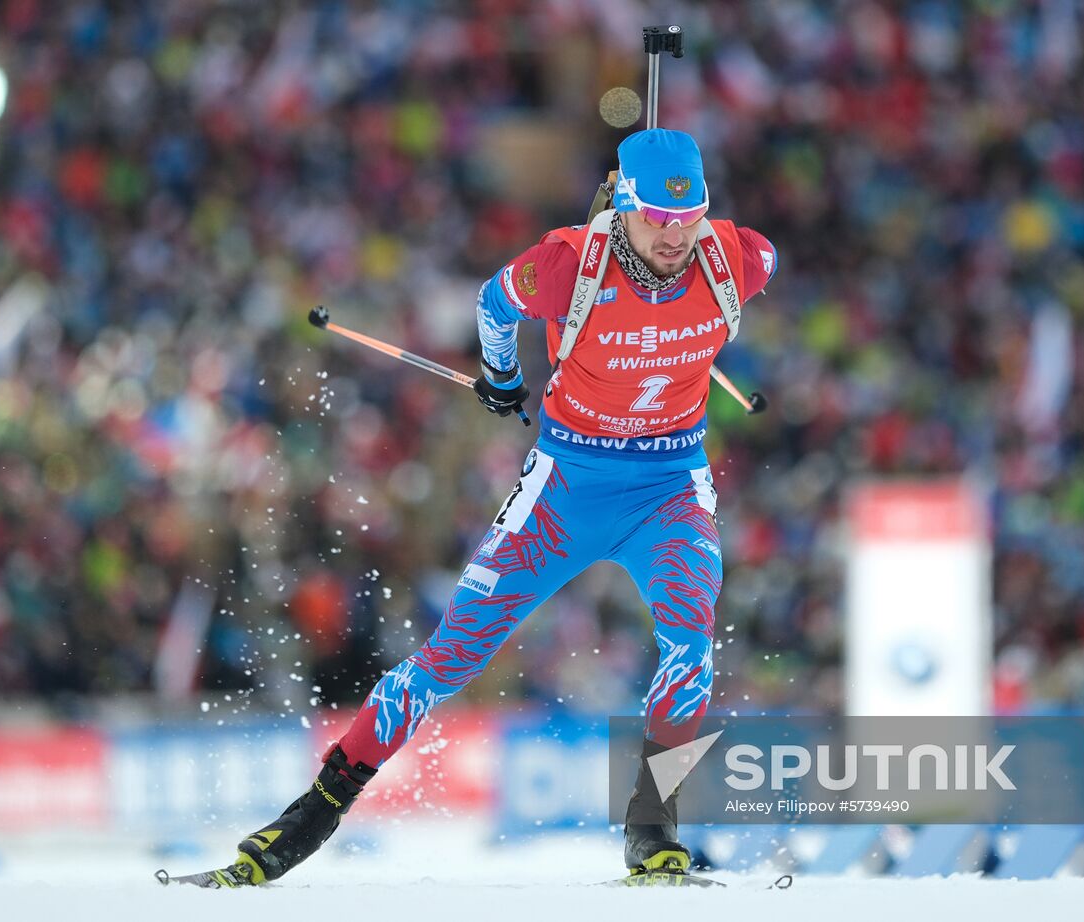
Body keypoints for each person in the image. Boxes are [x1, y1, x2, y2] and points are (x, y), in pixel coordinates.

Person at [221, 129, 777, 885]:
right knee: (452, 654)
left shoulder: (737, 257)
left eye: (691, 217)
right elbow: (493, 302)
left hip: (668, 487)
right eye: (656, 217)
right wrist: (502, 376)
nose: (676, 235)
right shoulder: (567, 263)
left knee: (692, 636)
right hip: (565, 488)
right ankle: (315, 811)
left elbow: (757, 269)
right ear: (622, 205)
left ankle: (654, 824)